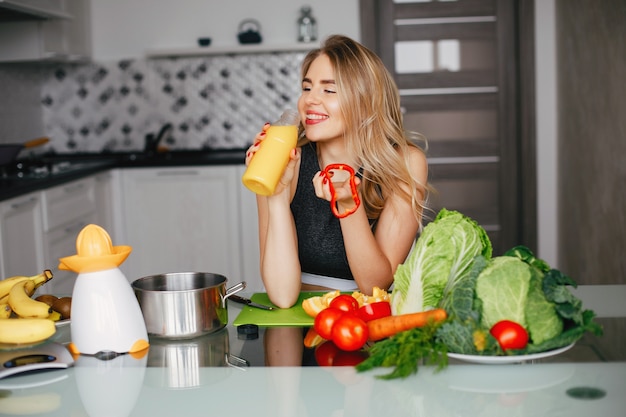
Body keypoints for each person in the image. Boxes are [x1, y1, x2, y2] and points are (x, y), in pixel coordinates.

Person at [245, 34, 430, 308]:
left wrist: (348, 205)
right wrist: (276, 195)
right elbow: (282, 297)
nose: (310, 100)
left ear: (366, 101)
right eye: (307, 88)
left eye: (328, 90)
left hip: (364, 317)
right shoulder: (283, 158)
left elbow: (374, 286)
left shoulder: (405, 162)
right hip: (296, 315)